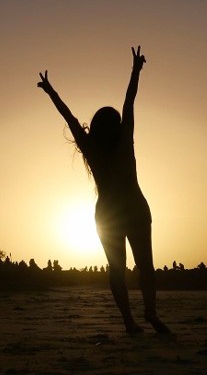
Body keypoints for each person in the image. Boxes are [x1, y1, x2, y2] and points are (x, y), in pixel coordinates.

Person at [37, 45, 169, 334]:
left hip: (108, 213)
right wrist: (136, 71)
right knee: (145, 266)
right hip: (134, 208)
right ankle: (149, 313)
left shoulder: (92, 149)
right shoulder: (124, 144)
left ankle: (130, 322)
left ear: (95, 128)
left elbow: (69, 118)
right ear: (118, 126)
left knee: (117, 270)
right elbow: (129, 103)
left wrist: (51, 92)